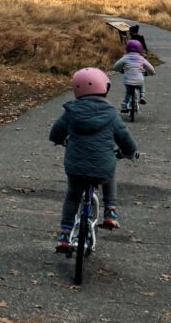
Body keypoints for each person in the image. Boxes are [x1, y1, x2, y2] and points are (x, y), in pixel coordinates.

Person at [49, 68, 138, 250]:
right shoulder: (111, 115)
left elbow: (55, 133)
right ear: (105, 88)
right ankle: (110, 212)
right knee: (109, 169)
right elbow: (125, 140)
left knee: (73, 196)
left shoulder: (71, 113)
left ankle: (65, 235)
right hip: (101, 167)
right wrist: (130, 153)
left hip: (76, 166)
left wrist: (61, 140)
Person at [114, 41, 155, 110]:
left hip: (128, 80)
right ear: (140, 49)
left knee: (128, 91)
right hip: (139, 80)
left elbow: (116, 66)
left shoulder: (126, 57)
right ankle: (142, 96)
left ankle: (125, 104)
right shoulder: (142, 59)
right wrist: (150, 73)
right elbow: (151, 69)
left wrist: (120, 70)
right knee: (142, 85)